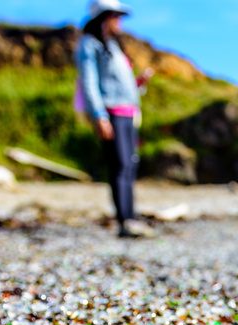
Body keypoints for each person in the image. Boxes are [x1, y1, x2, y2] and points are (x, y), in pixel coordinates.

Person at [77, 0, 153, 238]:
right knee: (119, 165)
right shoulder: (89, 45)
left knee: (129, 165)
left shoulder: (113, 47)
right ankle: (124, 221)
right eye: (116, 16)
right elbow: (89, 83)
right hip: (112, 113)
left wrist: (138, 83)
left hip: (129, 112)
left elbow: (123, 86)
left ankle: (131, 215)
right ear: (103, 18)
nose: (119, 21)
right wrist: (99, 116)